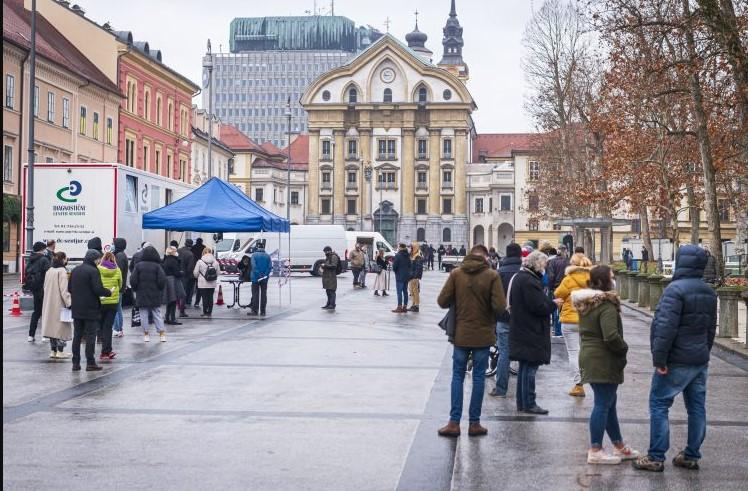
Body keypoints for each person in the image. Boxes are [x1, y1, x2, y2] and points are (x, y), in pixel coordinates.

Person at [633, 245, 717, 473]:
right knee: (697, 408)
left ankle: (655, 456)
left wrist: (659, 360)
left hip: (676, 359)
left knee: (659, 404)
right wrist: (704, 353)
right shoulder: (709, 292)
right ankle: (691, 455)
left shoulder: (674, 290)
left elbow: (664, 328)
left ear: (681, 262)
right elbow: (710, 330)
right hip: (699, 359)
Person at [572, 265, 640, 465]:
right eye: (611, 277)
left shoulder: (587, 303)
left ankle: (619, 447)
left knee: (609, 404)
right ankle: (595, 449)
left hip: (590, 356)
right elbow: (610, 336)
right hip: (603, 359)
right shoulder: (606, 305)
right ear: (603, 281)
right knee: (603, 404)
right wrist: (623, 348)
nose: (614, 280)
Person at [437, 244, 506, 437]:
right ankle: (474, 423)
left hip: (460, 334)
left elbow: (441, 301)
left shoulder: (456, 274)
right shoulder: (492, 276)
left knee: (457, 376)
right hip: (483, 336)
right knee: (478, 378)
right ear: (486, 257)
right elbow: (500, 307)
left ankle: (453, 422)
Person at [509, 250, 556, 414]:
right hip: (531, 330)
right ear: (536, 264)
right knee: (530, 368)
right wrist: (554, 304)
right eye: (543, 265)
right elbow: (538, 306)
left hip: (523, 328)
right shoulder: (529, 281)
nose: (544, 268)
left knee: (525, 367)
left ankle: (522, 402)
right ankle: (529, 402)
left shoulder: (521, 277)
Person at [68, 249, 115, 371]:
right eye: (98, 259)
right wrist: (109, 292)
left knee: (77, 335)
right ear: (95, 259)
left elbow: (69, 288)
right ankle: (90, 362)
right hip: (90, 309)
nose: (99, 261)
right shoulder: (94, 271)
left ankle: (76, 363)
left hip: (77, 308)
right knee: (90, 336)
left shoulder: (75, 270)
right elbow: (98, 289)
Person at [554, 253, 593, 397]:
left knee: (573, 352)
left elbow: (558, 294)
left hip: (570, 321)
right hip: (587, 320)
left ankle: (578, 385)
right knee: (585, 351)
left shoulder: (568, 280)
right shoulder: (593, 280)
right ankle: (590, 379)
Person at [490, 243, 522, 398]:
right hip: (522, 320)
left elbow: (493, 296)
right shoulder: (525, 272)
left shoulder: (499, 272)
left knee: (504, 352)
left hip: (503, 318)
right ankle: (522, 391)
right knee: (523, 354)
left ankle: (501, 388)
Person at [130, 246, 167, 342]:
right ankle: (161, 334)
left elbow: (133, 280)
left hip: (141, 293)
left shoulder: (138, 266)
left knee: (143, 313)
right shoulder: (157, 266)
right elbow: (162, 280)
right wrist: (159, 289)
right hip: (155, 293)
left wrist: (136, 289)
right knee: (157, 313)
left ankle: (146, 334)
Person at [40, 252, 73, 359]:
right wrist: (69, 303)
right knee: (60, 328)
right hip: (59, 303)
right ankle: (60, 351)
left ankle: (53, 351)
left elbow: (45, 286)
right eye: (66, 258)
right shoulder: (62, 271)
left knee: (51, 328)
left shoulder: (49, 270)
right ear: (63, 259)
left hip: (49, 303)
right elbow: (64, 290)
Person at [97, 251, 122, 360]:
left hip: (101, 301)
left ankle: (100, 345)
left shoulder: (98, 269)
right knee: (108, 326)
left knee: (100, 325)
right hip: (113, 302)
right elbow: (120, 284)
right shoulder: (117, 270)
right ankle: (106, 351)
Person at [25, 241, 51, 342]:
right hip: (44, 288)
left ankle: (31, 335)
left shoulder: (31, 259)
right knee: (45, 312)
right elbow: (49, 273)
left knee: (36, 312)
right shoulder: (44, 259)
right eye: (44, 249)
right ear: (41, 249)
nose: (45, 250)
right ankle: (45, 336)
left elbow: (27, 272)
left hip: (35, 289)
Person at [193, 247, 218, 318]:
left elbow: (195, 273)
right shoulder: (215, 262)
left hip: (202, 283)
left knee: (204, 298)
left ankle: (205, 312)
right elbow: (218, 272)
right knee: (210, 297)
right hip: (212, 283)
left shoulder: (199, 262)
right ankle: (209, 312)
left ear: (203, 253)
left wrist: (198, 277)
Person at [162, 246, 183, 325]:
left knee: (170, 300)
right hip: (173, 281)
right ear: (172, 252)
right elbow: (176, 272)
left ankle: (167, 317)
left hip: (167, 280)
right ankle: (172, 318)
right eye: (175, 250)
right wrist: (181, 273)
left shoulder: (166, 259)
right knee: (173, 300)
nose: (176, 252)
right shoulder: (173, 261)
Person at [249, 243, 272, 316]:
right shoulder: (268, 256)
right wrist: (264, 275)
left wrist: (259, 275)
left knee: (255, 294)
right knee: (263, 294)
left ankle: (255, 311)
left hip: (255, 278)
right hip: (265, 279)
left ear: (257, 247)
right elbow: (269, 267)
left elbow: (254, 266)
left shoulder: (254, 255)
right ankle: (263, 311)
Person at [111, 238, 128, 337]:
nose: (112, 245)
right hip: (120, 286)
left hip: (117, 286)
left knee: (116, 308)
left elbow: (118, 272)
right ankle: (119, 329)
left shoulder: (119, 256)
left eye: (113, 243)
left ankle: (117, 328)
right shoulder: (120, 255)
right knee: (118, 308)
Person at [391, 243, 412, 313]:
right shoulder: (408, 255)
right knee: (405, 291)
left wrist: (395, 271)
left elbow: (394, 266)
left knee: (399, 292)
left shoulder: (398, 255)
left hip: (400, 276)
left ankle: (399, 307)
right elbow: (410, 265)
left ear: (400, 247)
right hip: (406, 276)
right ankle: (405, 307)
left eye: (398, 247)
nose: (398, 248)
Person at [178, 239, 196, 315]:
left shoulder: (178, 251)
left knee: (175, 293)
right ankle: (182, 310)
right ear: (191, 246)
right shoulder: (190, 254)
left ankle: (171, 312)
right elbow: (190, 268)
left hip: (176, 275)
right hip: (185, 276)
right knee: (184, 293)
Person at [408, 241, 424, 312]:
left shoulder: (417, 256)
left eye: (411, 247)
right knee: (412, 291)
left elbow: (418, 267)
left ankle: (416, 305)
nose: (410, 249)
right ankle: (413, 304)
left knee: (415, 291)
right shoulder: (413, 255)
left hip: (414, 277)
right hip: (411, 276)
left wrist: (415, 276)